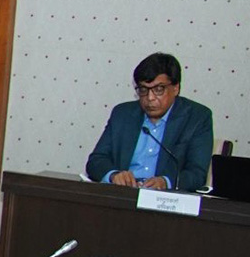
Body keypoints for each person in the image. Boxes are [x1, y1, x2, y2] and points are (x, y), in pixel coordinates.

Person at [85, 52, 214, 192]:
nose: (150, 98)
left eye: (159, 89)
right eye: (143, 90)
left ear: (176, 88)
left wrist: (166, 182)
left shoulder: (197, 117)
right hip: (124, 196)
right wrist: (113, 175)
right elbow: (96, 161)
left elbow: (196, 174)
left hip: (164, 202)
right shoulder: (122, 114)